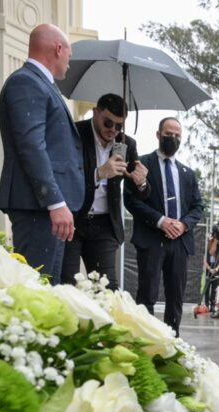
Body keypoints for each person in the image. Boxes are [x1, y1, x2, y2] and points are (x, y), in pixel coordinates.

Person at [0, 23, 84, 284]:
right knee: (35, 288)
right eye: (69, 54)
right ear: (58, 49)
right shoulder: (26, 82)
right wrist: (55, 203)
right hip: (37, 207)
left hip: (43, 209)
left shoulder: (40, 85)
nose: (69, 62)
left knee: (46, 288)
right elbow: (32, 146)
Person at [62, 93, 150, 290]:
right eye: (108, 123)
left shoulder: (127, 144)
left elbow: (140, 194)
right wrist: (99, 173)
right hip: (73, 218)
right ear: (95, 113)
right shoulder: (75, 133)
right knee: (67, 285)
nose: (113, 130)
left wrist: (141, 182)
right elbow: (64, 177)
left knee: (107, 289)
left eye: (119, 125)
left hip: (104, 224)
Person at [125, 117, 204, 332]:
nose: (173, 138)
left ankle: (172, 343)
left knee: (175, 297)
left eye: (178, 136)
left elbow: (198, 206)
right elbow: (130, 200)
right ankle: (146, 339)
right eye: (169, 134)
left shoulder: (187, 173)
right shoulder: (142, 164)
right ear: (158, 134)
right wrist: (161, 222)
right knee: (147, 296)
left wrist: (183, 225)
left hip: (180, 243)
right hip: (151, 240)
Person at [203, 236, 219, 313]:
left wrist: (217, 269)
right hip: (208, 271)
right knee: (207, 289)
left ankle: (212, 306)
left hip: (216, 271)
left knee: (215, 289)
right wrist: (209, 269)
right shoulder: (207, 249)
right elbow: (204, 260)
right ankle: (206, 305)